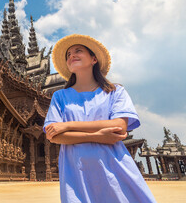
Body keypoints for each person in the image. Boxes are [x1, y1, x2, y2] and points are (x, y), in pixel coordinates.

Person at [44, 34, 156, 203]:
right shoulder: (59, 97)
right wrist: (97, 136)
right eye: (68, 54)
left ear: (94, 59)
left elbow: (119, 125)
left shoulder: (115, 91)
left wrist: (67, 125)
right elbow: (54, 135)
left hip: (115, 167)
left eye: (78, 51)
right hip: (76, 172)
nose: (71, 55)